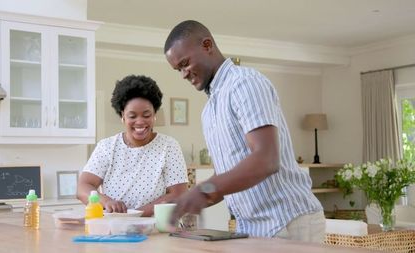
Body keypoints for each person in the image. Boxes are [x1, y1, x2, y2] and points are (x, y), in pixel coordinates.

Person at [164, 20, 325, 242]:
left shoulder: (244, 83)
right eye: (177, 69)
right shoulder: (210, 110)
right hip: (251, 227)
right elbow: (227, 173)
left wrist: (203, 191)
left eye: (185, 63)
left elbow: (266, 159)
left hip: (287, 220)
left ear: (207, 45)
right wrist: (187, 201)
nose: (183, 74)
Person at [77, 75, 188, 217]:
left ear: (155, 115)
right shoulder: (106, 147)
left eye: (146, 115)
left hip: (155, 228)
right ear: (122, 116)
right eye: (132, 116)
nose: (140, 122)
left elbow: (178, 194)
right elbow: (83, 187)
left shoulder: (169, 146)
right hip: (115, 227)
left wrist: (136, 215)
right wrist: (106, 201)